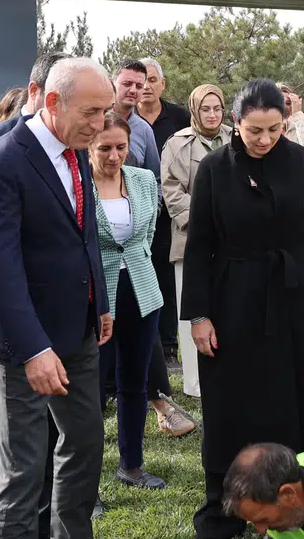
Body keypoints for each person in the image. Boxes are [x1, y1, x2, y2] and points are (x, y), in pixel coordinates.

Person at [182, 79, 304, 539]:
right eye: (254, 131)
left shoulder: (300, 160)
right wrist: (200, 315)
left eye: (274, 129)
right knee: (240, 402)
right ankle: (229, 508)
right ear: (236, 124)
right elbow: (200, 244)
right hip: (238, 303)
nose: (265, 140)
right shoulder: (213, 169)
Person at [0, 57, 115, 539]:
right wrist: (34, 349)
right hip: (24, 345)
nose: (99, 126)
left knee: (85, 445)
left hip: (77, 331)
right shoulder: (2, 162)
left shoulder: (75, 150)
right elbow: (2, 269)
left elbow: (85, 235)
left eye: (106, 112)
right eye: (91, 113)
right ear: (52, 102)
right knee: (24, 470)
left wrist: (100, 302)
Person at [0, 52, 67, 539]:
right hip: (3, 326)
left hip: (60, 322)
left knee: (44, 434)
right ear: (39, 89)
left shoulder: (71, 147)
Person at [92, 112, 192, 494]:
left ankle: (131, 466)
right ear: (89, 145)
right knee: (91, 391)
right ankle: (86, 483)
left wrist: (132, 261)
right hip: (96, 296)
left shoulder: (144, 180)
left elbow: (148, 233)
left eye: (121, 147)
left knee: (135, 381)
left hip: (142, 291)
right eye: (105, 148)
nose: (115, 155)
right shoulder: (77, 184)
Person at [163, 84, 234, 401]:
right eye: (205, 109)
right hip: (191, 240)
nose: (212, 114)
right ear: (194, 110)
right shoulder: (178, 144)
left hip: (235, 239)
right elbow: (172, 191)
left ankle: (232, 372)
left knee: (230, 307)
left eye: (217, 108)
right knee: (194, 310)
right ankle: (195, 383)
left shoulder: (236, 138)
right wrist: (208, 215)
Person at [137, 56, 191, 363]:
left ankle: (169, 347)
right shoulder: (125, 119)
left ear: (162, 84)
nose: (146, 87)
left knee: (167, 280)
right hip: (136, 214)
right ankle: (146, 346)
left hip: (170, 213)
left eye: (152, 81)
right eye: (141, 82)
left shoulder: (179, 117)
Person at [112, 60, 162, 178]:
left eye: (139, 86)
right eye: (127, 84)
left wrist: (151, 197)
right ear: (112, 83)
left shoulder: (144, 130)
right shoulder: (95, 122)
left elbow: (155, 178)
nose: (133, 90)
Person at [278, 83, 304, 153]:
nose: (284, 107)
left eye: (288, 103)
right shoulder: (264, 125)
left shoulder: (296, 125)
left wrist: (298, 114)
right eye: (280, 103)